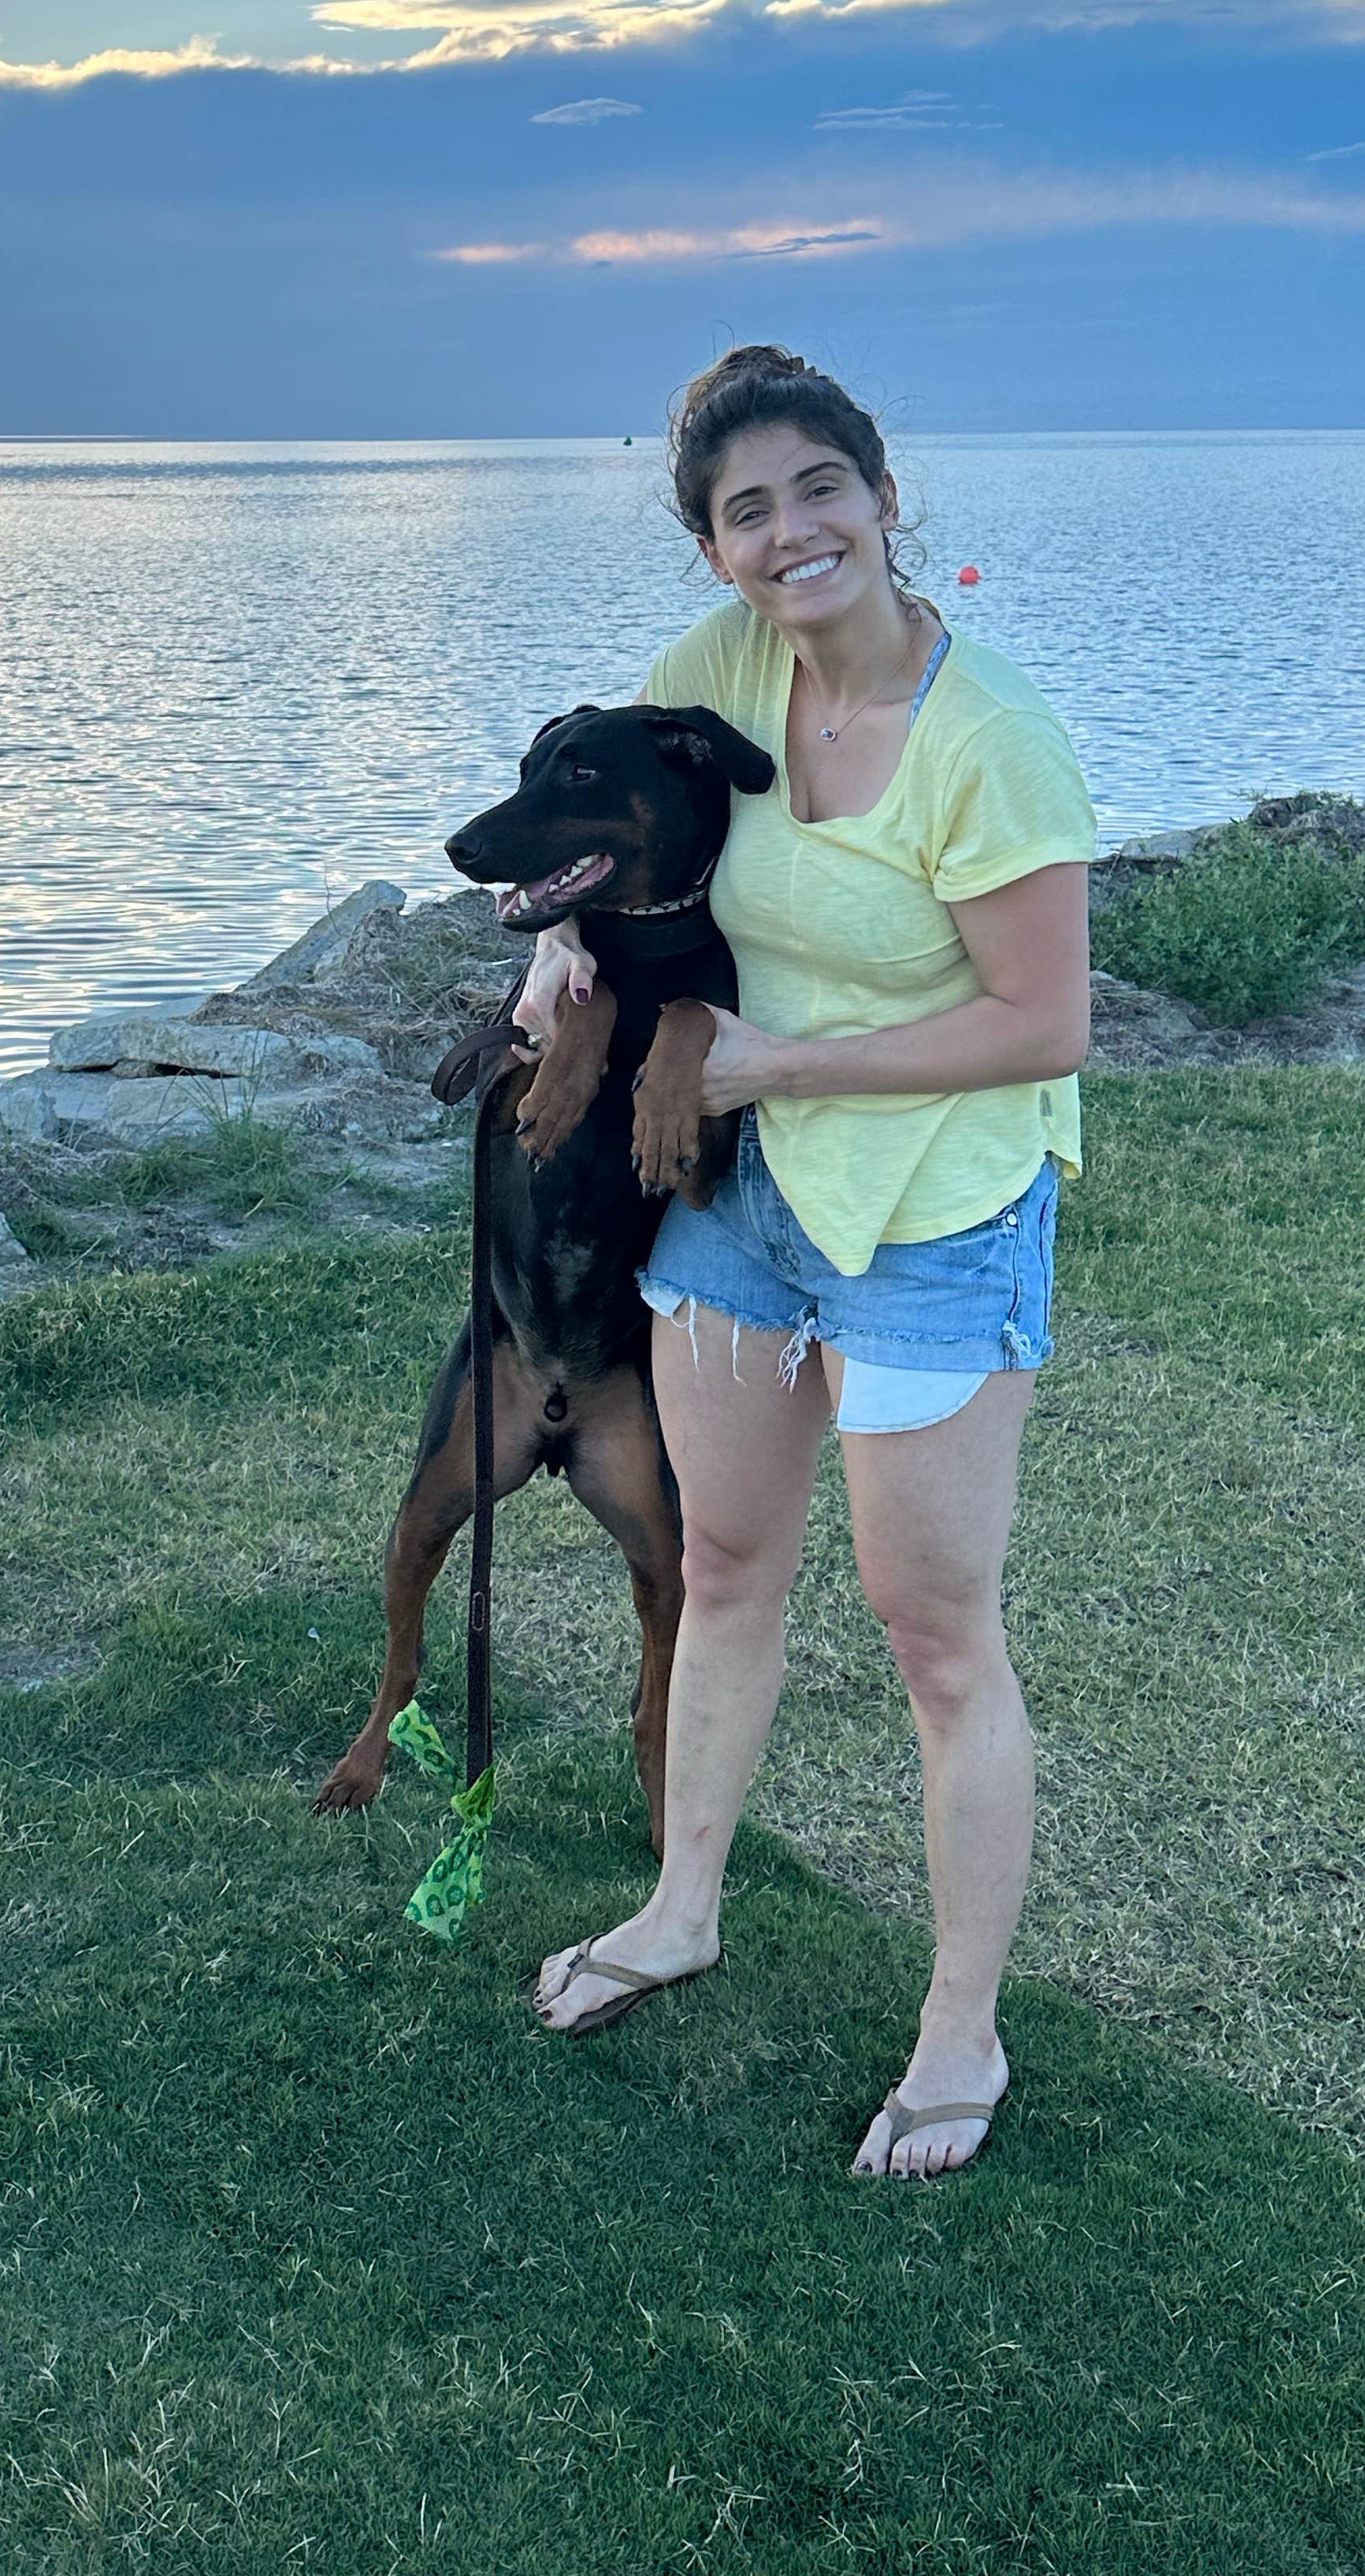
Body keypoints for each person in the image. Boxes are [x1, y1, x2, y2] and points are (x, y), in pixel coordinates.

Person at [520, 346, 1094, 2179]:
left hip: (929, 1211)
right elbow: (618, 825)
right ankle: (684, 1905)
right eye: (747, 512)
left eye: (817, 490)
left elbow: (1044, 1023)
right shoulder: (721, 672)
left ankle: (961, 2031)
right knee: (729, 1566)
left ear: (881, 495)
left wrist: (775, 1064)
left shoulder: (989, 740)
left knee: (936, 1640)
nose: (792, 534)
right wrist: (563, 956)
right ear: (715, 551)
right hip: (747, 1210)